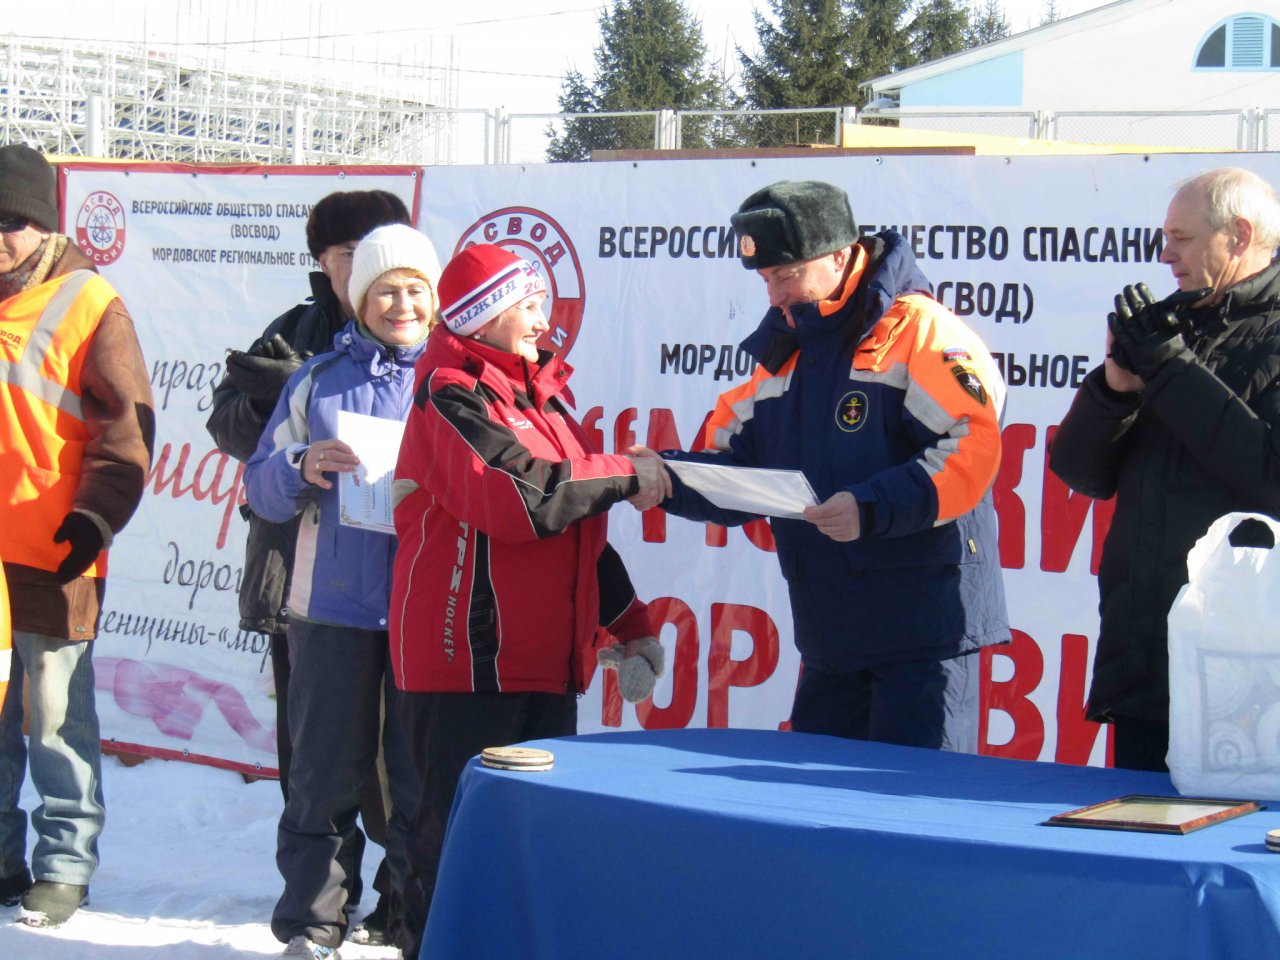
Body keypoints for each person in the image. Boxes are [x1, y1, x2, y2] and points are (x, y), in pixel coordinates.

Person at [644, 179, 1009, 752]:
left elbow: (972, 449)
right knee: (818, 817)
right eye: (766, 280)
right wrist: (663, 477)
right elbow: (737, 474)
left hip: (924, 640)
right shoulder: (785, 351)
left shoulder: (922, 331)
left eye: (786, 275)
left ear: (841, 255)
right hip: (832, 638)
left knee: (908, 820)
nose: (775, 296)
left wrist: (869, 508)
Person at [389, 243, 667, 960]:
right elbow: (524, 500)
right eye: (530, 306)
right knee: (451, 844)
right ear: (487, 316)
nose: (545, 321)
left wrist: (630, 626)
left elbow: (579, 533)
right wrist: (626, 472)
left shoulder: (544, 400)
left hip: (544, 664)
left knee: (530, 843)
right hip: (467, 664)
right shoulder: (448, 391)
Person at [206, 189, 410, 943]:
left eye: (379, 249)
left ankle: (400, 903)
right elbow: (236, 439)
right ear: (321, 262)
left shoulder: (436, 352)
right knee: (319, 761)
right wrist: (270, 407)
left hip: (413, 597)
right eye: (348, 252)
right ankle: (317, 914)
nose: (367, 268)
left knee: (407, 770)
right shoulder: (298, 343)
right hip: (311, 582)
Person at [244, 223, 438, 960]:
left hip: (427, 612)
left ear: (435, 297)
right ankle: (310, 926)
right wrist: (299, 462)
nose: (402, 303)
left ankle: (409, 921)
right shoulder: (317, 380)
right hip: (330, 608)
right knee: (323, 777)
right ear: (358, 299)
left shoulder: (450, 379)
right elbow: (261, 490)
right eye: (385, 289)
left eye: (416, 288)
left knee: (418, 785)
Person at [1049, 167, 1280, 772]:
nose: (1163, 253)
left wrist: (1168, 368)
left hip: (1251, 671)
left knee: (1230, 851)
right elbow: (1080, 472)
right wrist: (1115, 387)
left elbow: (1268, 476)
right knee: (1131, 840)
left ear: (1238, 235)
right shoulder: (1167, 328)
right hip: (1148, 647)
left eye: (1180, 237)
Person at [0, 144, 154, 927]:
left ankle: (63, 864)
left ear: (45, 223)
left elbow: (125, 434)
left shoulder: (90, 302)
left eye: (13, 222)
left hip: (52, 552)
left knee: (55, 719)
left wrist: (92, 522)